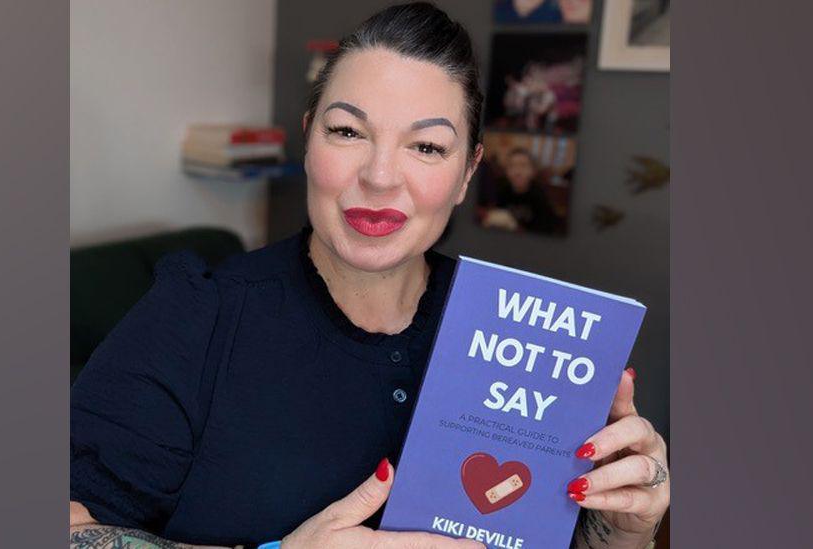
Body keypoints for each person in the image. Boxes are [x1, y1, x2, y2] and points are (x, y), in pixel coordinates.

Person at [70, 3, 670, 548]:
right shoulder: (194, 318)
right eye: (348, 131)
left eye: (428, 147)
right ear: (310, 140)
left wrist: (619, 532)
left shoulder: (528, 337)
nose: (380, 177)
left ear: (468, 172)